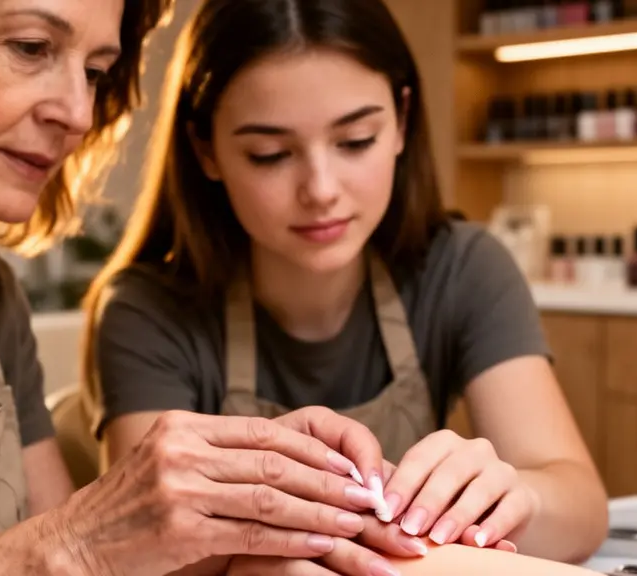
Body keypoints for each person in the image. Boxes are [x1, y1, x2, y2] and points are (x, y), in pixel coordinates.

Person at [0, 1, 468, 575]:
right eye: (31, 47)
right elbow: (69, 549)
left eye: (95, 71)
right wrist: (71, 541)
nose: (76, 112)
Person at [79, 0, 610, 567]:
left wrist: (517, 497)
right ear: (206, 149)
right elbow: (147, 554)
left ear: (402, 121)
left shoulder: (463, 267)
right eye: (271, 154)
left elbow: (582, 509)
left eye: (355, 141)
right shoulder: (146, 311)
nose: (321, 189)